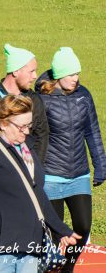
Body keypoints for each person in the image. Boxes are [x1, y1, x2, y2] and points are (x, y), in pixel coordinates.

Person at [0, 95, 81, 271]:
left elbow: (37, 194)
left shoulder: (27, 150)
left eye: (29, 126)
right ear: (3, 123)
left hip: (30, 245)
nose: (27, 132)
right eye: (21, 126)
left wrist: (60, 229)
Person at [37, 48, 106, 271]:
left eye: (77, 73)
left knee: (83, 226)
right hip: (51, 176)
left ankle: (67, 267)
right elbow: (34, 137)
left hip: (79, 174)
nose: (76, 78)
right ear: (59, 75)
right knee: (55, 233)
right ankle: (49, 266)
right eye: (71, 74)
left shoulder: (84, 95)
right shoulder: (41, 99)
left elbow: (92, 131)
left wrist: (100, 165)